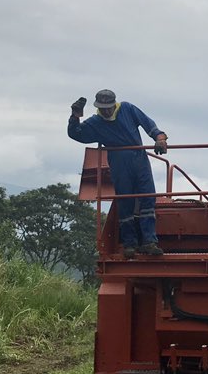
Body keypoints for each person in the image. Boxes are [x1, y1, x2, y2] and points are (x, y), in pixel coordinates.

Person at [68, 89, 168, 258]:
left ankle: (150, 242)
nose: (106, 110)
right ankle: (129, 244)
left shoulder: (127, 109)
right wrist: (75, 117)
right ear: (98, 107)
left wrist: (159, 138)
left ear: (114, 104)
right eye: (103, 107)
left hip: (139, 160)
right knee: (124, 200)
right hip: (119, 164)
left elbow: (148, 124)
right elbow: (76, 134)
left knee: (148, 197)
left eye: (109, 107)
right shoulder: (95, 122)